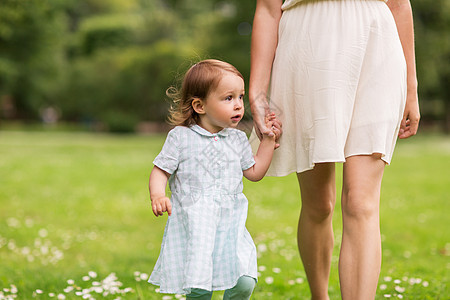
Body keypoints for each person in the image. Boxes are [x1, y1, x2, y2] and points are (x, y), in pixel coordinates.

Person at [249, 0, 420, 299]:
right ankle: (320, 296)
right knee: (318, 204)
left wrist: (411, 88)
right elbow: (267, 8)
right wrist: (257, 92)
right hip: (306, 52)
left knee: (360, 201)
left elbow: (399, 4)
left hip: (376, 47)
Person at [148, 59, 281, 299]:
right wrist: (158, 194)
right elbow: (161, 170)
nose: (239, 105)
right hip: (196, 224)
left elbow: (254, 172)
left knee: (245, 281)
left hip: (230, 223)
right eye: (228, 98)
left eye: (240, 97)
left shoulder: (237, 139)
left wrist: (268, 141)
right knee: (200, 287)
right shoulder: (181, 138)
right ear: (200, 105)